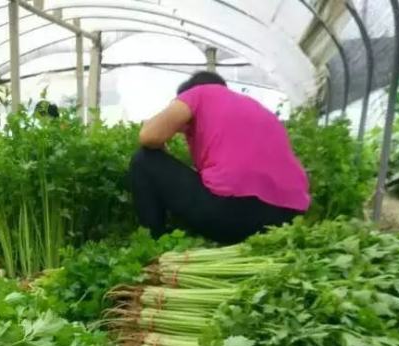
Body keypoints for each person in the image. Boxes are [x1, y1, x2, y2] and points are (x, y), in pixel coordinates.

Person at [129, 71, 310, 244]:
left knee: (145, 159)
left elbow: (149, 136)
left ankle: (154, 242)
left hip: (232, 215)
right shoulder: (257, 108)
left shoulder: (198, 94)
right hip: (288, 218)